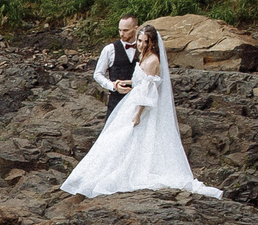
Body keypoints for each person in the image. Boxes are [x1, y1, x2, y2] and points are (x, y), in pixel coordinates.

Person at [60, 31, 222, 199]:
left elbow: (148, 91)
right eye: (139, 40)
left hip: (140, 107)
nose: (142, 44)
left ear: (152, 43)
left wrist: (138, 114)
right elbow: (141, 81)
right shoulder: (144, 56)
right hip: (131, 101)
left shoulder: (152, 60)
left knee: (128, 138)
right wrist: (127, 82)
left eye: (146, 41)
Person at [91, 17, 141, 117]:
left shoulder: (144, 48)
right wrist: (113, 86)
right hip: (116, 102)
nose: (122, 34)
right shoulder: (109, 49)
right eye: (120, 30)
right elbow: (98, 74)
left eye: (126, 30)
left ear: (136, 29)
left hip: (139, 102)